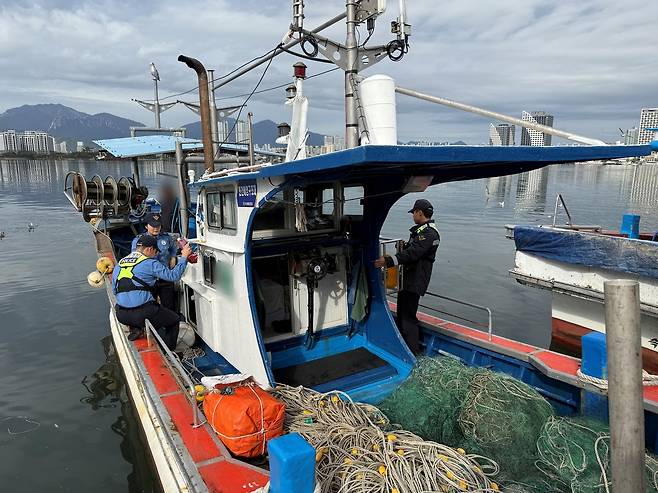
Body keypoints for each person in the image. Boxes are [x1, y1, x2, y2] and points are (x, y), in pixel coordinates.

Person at [375, 199, 440, 354]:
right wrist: (405, 246)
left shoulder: (429, 233)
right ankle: (404, 348)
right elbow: (414, 249)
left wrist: (388, 261)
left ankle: (412, 352)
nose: (413, 216)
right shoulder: (422, 231)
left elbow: (414, 253)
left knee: (408, 317)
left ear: (420, 212)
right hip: (409, 279)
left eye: (414, 213)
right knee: (402, 313)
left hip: (415, 280)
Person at [112, 235, 193, 349]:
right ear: (149, 249)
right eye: (155, 252)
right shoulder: (150, 263)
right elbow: (173, 276)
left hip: (122, 315)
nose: (156, 256)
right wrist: (184, 257)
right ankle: (168, 351)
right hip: (143, 314)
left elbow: (114, 291)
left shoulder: (119, 264)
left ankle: (137, 328)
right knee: (174, 319)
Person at [132, 213, 178, 311]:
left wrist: (173, 257)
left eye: (158, 225)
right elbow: (135, 257)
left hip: (165, 277)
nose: (156, 228)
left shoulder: (166, 238)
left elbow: (173, 248)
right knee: (149, 307)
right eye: (152, 226)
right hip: (148, 279)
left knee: (169, 306)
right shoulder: (138, 240)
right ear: (146, 226)